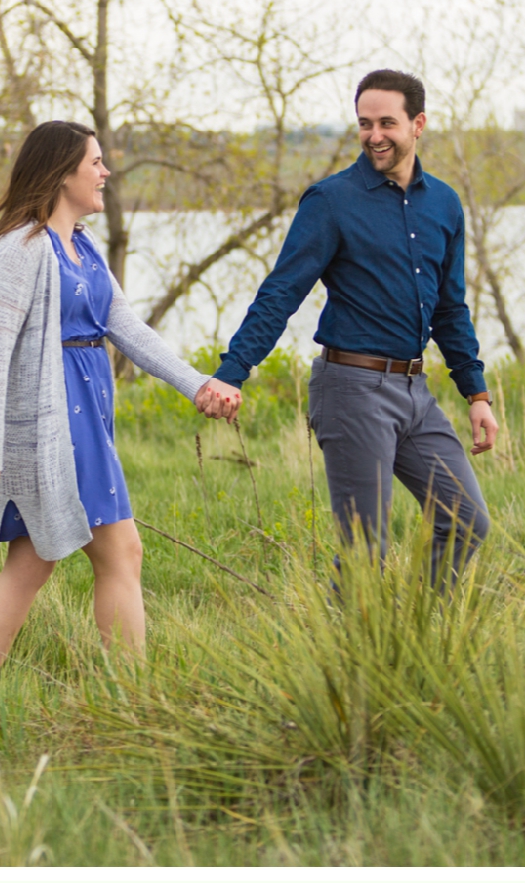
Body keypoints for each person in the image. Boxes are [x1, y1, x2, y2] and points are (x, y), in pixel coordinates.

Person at [0, 120, 242, 677]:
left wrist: (197, 384)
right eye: (95, 162)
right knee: (42, 561)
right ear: (62, 174)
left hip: (88, 417)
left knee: (101, 555)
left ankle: (126, 695)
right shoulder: (21, 247)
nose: (105, 172)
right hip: (48, 424)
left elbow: (129, 330)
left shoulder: (82, 247)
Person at [203, 68, 497, 583]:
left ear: (418, 124)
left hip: (415, 391)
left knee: (466, 519)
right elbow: (282, 292)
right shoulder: (332, 200)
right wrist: (233, 370)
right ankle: (354, 656)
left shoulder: (445, 204)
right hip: (352, 387)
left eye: (387, 122)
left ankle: (418, 636)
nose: (375, 135)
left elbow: (451, 309)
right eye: (365, 123)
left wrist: (476, 395)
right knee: (366, 550)